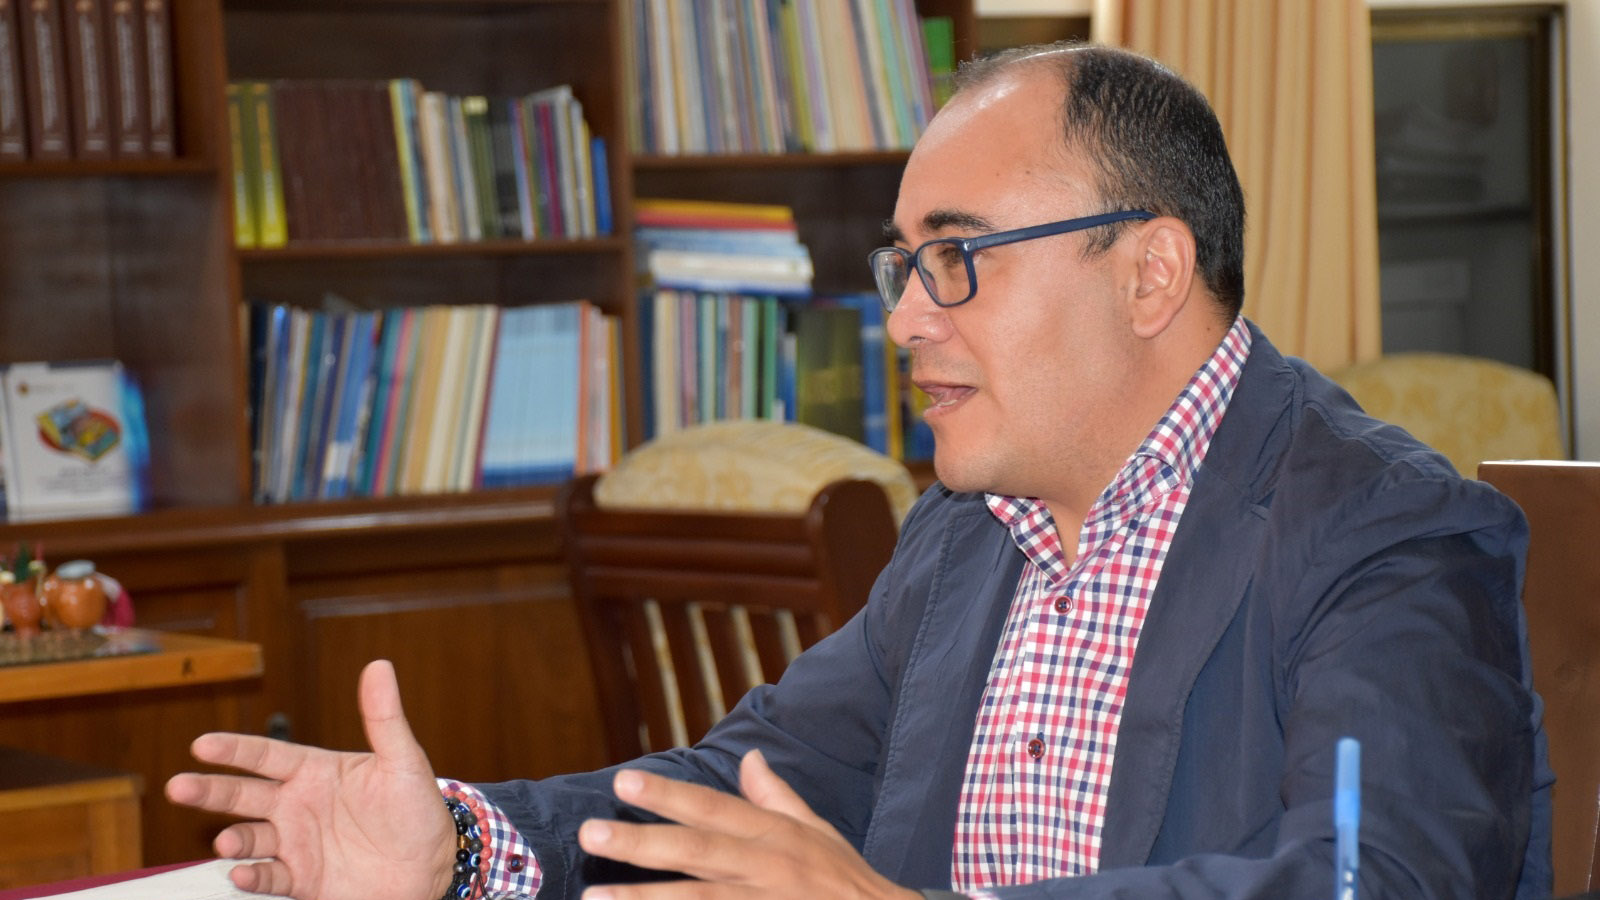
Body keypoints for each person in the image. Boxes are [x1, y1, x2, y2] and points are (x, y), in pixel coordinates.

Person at [166, 43, 1552, 900]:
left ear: (1149, 272)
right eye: (904, 265)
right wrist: (462, 848)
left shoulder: (1390, 533)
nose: (903, 320)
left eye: (955, 256)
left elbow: (1384, 878)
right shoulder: (969, 531)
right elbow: (747, 788)